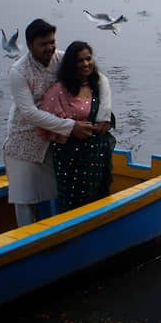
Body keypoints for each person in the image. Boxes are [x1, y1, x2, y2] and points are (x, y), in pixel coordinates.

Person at [4, 19, 94, 227]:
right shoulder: (19, 71)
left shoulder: (62, 59)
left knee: (59, 191)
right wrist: (72, 127)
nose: (50, 48)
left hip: (56, 138)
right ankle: (26, 244)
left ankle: (60, 235)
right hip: (24, 138)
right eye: (43, 44)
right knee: (24, 198)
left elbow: (97, 78)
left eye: (52, 42)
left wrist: (102, 114)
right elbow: (29, 113)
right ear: (29, 46)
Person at [38, 41, 115, 213]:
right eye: (80, 61)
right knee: (75, 207)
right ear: (72, 65)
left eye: (89, 59)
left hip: (97, 158)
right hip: (71, 162)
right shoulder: (59, 90)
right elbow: (45, 122)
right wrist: (72, 128)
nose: (86, 64)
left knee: (99, 201)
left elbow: (105, 112)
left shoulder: (97, 85)